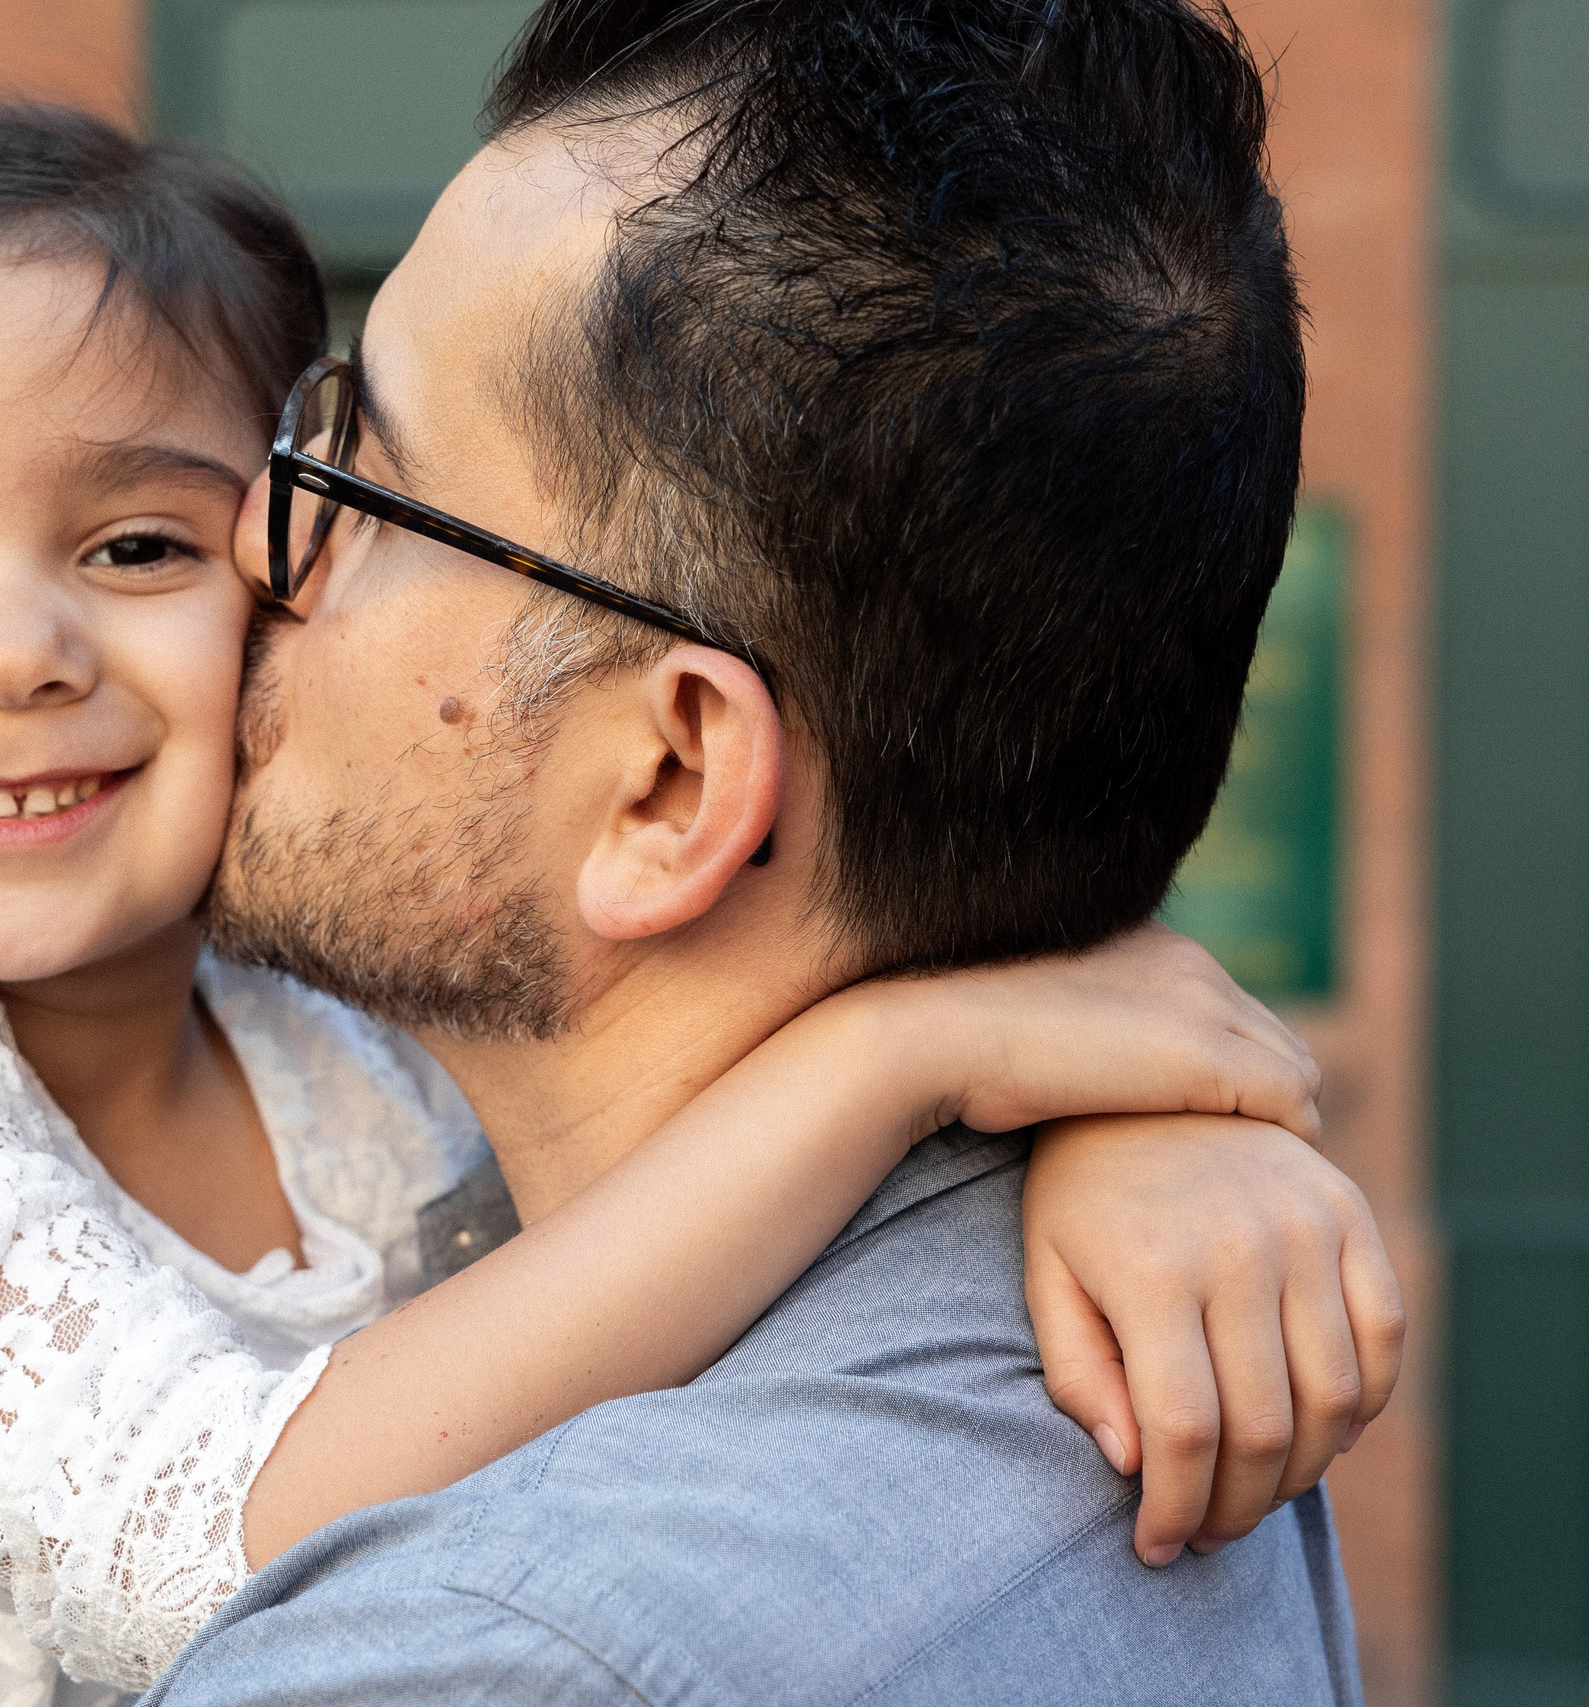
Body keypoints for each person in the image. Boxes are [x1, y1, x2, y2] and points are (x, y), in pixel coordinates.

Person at [0, 93, 1389, 1707]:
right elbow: (204, 1547)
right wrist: (910, 1060)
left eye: (141, 543)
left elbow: (802, 929)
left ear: (263, 580)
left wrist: (1131, 1114)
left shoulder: (317, 1014)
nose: (11, 651)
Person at [143, 1, 1379, 1702]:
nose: (251, 536)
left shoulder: (479, 1660)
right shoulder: (1157, 1346)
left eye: (366, 474)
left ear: (669, 781)